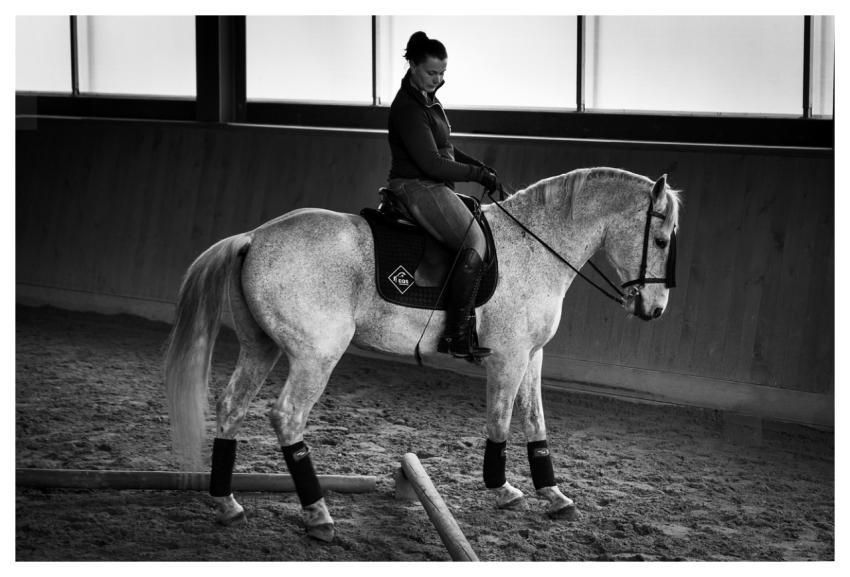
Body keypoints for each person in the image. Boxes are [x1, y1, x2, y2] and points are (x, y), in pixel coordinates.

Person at [386, 31, 501, 362]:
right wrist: (476, 175)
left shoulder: (427, 99)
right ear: (412, 65)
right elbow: (432, 163)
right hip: (417, 185)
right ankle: (456, 334)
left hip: (431, 183)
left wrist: (479, 166)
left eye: (442, 73)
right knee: (474, 243)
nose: (438, 79)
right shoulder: (409, 107)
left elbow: (445, 148)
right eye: (431, 73)